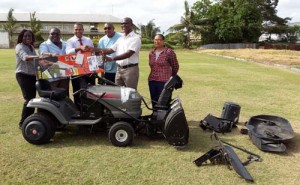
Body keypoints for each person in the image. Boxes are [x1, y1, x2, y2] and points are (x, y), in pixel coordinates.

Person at [101, 17, 141, 89]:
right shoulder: (121, 38)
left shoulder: (135, 38)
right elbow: (110, 50)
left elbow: (128, 53)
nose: (123, 25)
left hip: (130, 70)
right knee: (119, 93)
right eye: (122, 24)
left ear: (131, 24)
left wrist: (111, 58)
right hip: (119, 69)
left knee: (130, 93)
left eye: (126, 23)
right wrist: (92, 49)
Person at [66, 22, 95, 107]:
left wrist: (94, 68)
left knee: (90, 90)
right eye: (76, 29)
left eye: (80, 29)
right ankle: (78, 109)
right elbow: (67, 52)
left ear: (83, 30)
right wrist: (79, 48)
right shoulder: (70, 41)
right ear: (73, 30)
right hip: (76, 68)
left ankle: (90, 108)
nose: (78, 31)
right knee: (77, 90)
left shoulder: (88, 40)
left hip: (88, 68)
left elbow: (92, 53)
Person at [15, 29, 39, 128]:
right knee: (28, 99)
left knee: (32, 99)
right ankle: (23, 123)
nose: (27, 38)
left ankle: (29, 120)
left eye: (29, 36)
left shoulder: (31, 47)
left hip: (32, 76)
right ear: (21, 37)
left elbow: (36, 58)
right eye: (25, 36)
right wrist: (38, 56)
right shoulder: (19, 46)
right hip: (23, 75)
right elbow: (25, 57)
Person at [148, 34, 179, 108]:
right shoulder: (151, 53)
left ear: (163, 41)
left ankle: (164, 118)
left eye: (159, 39)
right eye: (155, 39)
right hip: (152, 81)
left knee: (164, 102)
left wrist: (171, 77)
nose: (157, 41)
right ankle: (155, 117)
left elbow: (175, 66)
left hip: (164, 82)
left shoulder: (169, 52)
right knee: (154, 101)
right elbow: (151, 66)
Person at [39, 27, 69, 95]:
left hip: (65, 76)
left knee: (65, 96)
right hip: (52, 77)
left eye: (57, 34)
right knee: (53, 97)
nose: (55, 35)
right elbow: (42, 55)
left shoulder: (65, 44)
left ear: (60, 35)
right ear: (49, 35)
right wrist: (51, 54)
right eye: (52, 34)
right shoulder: (45, 44)